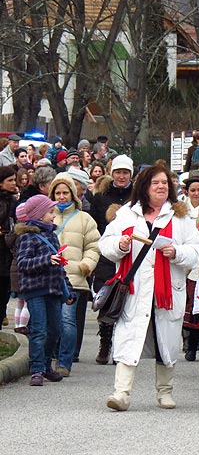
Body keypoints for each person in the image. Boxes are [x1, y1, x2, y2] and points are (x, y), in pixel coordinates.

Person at [99, 164, 199, 410]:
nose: (161, 187)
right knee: (128, 338)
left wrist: (176, 251)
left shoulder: (180, 217)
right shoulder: (126, 214)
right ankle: (121, 393)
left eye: (165, 183)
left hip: (166, 291)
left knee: (165, 342)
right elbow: (106, 243)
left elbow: (196, 249)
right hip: (135, 290)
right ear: (144, 187)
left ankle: (165, 392)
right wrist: (121, 245)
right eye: (155, 183)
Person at [15, 195, 75, 386]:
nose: (53, 215)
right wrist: (46, 260)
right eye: (50, 212)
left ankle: (47, 365)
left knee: (55, 330)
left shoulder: (52, 236)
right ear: (39, 215)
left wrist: (68, 290)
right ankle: (36, 369)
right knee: (39, 329)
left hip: (54, 290)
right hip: (36, 291)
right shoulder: (27, 237)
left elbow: (59, 266)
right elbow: (22, 263)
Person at [48, 174, 100, 376]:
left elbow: (94, 246)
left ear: (73, 194)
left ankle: (64, 362)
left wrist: (85, 265)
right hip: (49, 277)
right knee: (51, 322)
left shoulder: (84, 218)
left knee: (68, 320)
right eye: (58, 193)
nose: (61, 197)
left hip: (74, 277)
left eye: (65, 192)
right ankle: (49, 358)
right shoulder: (46, 215)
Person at [90, 155, 134, 365]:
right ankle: (105, 343)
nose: (122, 176)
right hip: (107, 253)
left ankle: (121, 347)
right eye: (118, 172)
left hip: (131, 253)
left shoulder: (137, 196)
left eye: (125, 172)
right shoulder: (101, 196)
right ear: (112, 173)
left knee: (126, 300)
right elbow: (96, 225)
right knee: (106, 297)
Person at [181, 176, 199, 361]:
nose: (197, 193)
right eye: (193, 190)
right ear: (187, 192)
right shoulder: (181, 211)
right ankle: (190, 342)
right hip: (188, 261)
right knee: (189, 303)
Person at [0, 167, 18, 328]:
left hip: (8, 250)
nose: (14, 183)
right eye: (10, 180)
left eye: (14, 179)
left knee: (5, 289)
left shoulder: (13, 201)